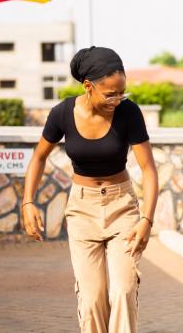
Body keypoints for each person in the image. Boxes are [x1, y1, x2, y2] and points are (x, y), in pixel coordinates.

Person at [20, 46, 159, 333]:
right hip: (82, 210)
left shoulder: (129, 113)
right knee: (93, 298)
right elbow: (38, 157)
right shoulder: (61, 114)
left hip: (122, 207)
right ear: (88, 86)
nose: (117, 99)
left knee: (122, 290)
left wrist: (146, 219)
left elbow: (148, 169)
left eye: (122, 92)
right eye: (110, 93)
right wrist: (27, 202)